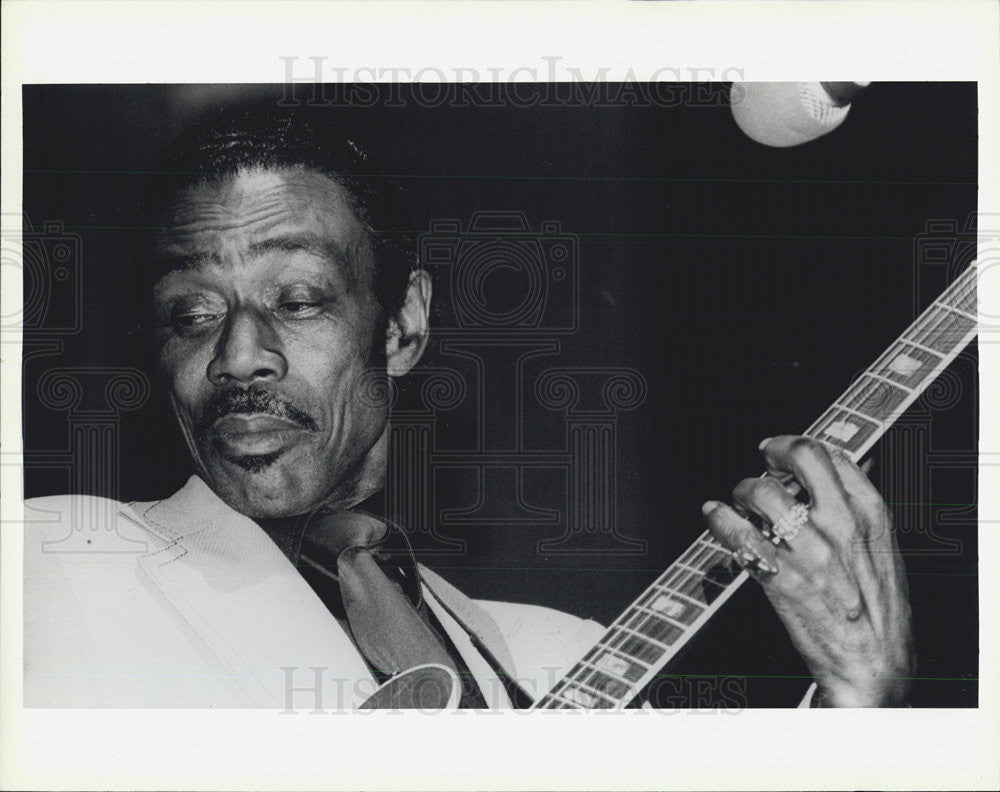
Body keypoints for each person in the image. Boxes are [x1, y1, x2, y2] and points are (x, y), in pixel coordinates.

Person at [23, 107, 913, 709]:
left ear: (403, 327)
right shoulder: (49, 566)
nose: (239, 357)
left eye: (296, 301)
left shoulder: (556, 656)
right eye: (193, 314)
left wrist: (865, 698)